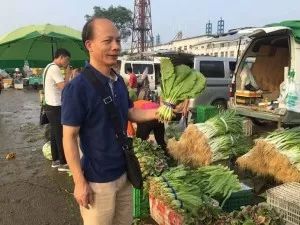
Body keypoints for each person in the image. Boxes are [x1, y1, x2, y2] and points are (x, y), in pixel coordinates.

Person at [61, 17, 157, 225]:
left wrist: (161, 112)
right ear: (90, 45)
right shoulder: (77, 88)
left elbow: (131, 113)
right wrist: (79, 182)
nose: (116, 47)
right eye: (108, 41)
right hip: (97, 181)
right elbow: (69, 137)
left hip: (124, 174)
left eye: (118, 41)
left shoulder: (118, 82)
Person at [43, 48, 71, 172]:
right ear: (61, 57)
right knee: (60, 135)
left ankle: (55, 161)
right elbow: (64, 88)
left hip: (50, 106)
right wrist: (68, 73)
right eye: (67, 59)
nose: (67, 62)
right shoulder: (54, 68)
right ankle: (63, 163)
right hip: (55, 106)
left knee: (54, 135)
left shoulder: (48, 67)